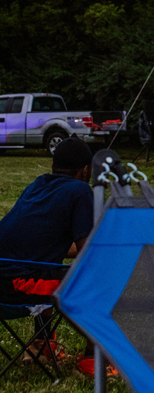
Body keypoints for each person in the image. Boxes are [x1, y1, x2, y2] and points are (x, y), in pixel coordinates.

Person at [0, 136, 115, 377]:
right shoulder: (80, 190)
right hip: (14, 287)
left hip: (6, 278)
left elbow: (47, 244)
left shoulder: (38, 184)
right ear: (85, 170)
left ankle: (41, 346)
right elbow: (89, 254)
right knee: (104, 284)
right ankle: (93, 362)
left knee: (51, 271)